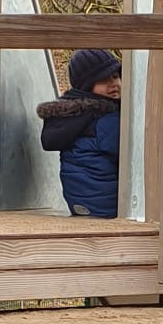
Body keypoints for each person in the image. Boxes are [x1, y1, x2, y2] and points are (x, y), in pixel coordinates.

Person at [37, 48, 122, 217]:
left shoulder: (71, 116)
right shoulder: (106, 117)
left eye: (115, 76)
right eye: (103, 79)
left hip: (80, 201)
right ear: (87, 84)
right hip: (108, 204)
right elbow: (129, 156)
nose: (114, 83)